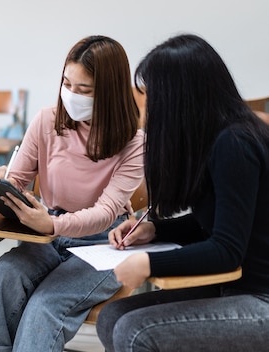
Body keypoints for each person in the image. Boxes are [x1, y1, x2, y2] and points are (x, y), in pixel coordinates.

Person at [97, 34, 269, 352]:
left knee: (135, 333)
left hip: (259, 298)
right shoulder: (214, 139)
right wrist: (153, 230)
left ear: (178, 97)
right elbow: (217, 222)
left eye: (149, 95)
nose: (144, 106)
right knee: (112, 317)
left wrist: (148, 264)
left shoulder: (235, 144)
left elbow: (227, 248)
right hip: (234, 287)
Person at [0, 35, 144, 351]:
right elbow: (20, 178)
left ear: (109, 93)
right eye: (67, 84)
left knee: (44, 307)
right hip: (49, 234)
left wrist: (51, 226)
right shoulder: (47, 120)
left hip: (105, 243)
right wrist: (6, 181)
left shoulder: (134, 144)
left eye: (84, 90)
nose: (71, 95)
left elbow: (105, 213)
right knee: (4, 277)